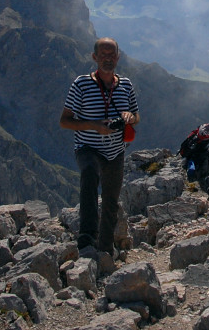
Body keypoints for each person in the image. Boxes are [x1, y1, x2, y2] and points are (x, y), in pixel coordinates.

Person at [60, 37, 140, 257]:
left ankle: (105, 250)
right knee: (89, 174)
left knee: (111, 201)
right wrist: (94, 126)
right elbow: (65, 121)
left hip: (116, 151)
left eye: (111, 54)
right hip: (88, 147)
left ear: (118, 57)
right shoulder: (81, 84)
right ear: (94, 57)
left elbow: (136, 116)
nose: (108, 59)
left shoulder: (125, 85)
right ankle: (86, 241)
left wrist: (129, 117)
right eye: (103, 54)